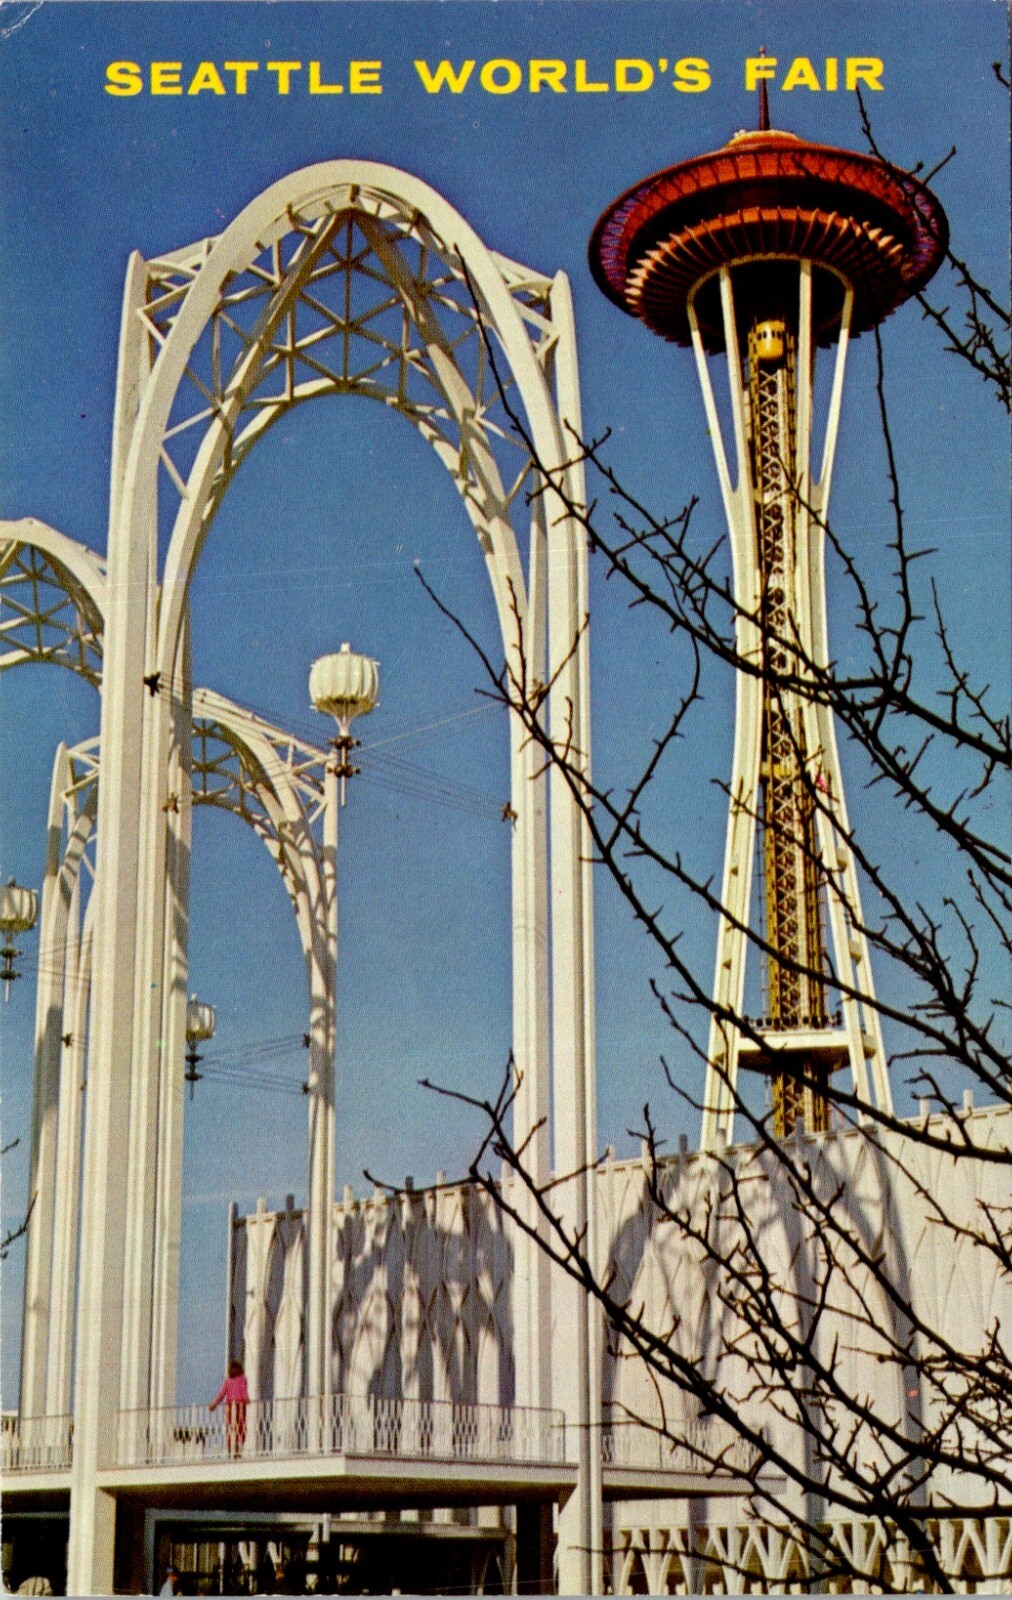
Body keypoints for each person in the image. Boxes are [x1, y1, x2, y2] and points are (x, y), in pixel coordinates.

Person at [210, 1358, 249, 1457]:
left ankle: (234, 1448)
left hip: (233, 1406)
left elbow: (221, 1394)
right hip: (238, 1406)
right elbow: (243, 1391)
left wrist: (214, 1404)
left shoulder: (231, 1381)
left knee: (235, 1427)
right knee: (238, 1427)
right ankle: (235, 1449)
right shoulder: (240, 1379)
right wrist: (246, 1399)